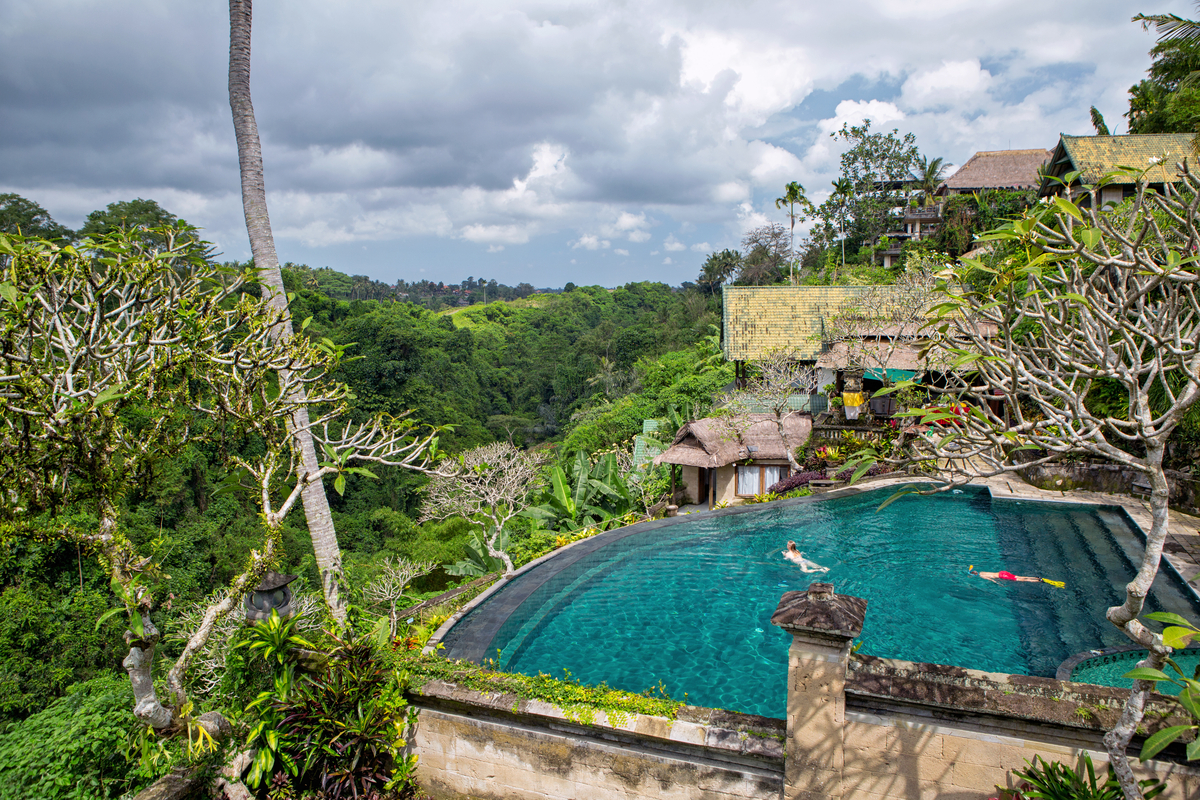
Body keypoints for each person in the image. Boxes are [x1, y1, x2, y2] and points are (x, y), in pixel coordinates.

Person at [968, 565, 1063, 587]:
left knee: (1022, 580)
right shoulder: (982, 572)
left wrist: (998, 584)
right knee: (1019, 576)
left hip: (1002, 577)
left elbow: (991, 580)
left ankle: (1038, 580)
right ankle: (1037, 577)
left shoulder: (982, 577)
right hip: (1003, 573)